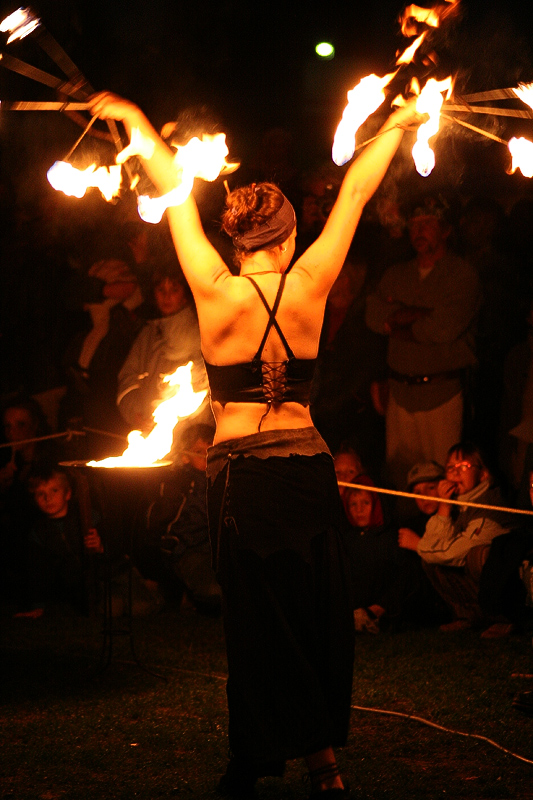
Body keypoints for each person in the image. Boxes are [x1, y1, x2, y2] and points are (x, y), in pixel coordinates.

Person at [90, 89, 420, 799]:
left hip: (243, 479)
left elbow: (172, 190)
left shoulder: (212, 288)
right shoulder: (312, 280)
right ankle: (320, 762)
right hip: (306, 469)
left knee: (257, 627)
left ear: (238, 241)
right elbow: (359, 188)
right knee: (314, 615)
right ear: (288, 236)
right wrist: (400, 118)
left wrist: (135, 121)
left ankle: (260, 758)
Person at [365, 196, 480, 491]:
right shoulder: (397, 273)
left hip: (441, 394)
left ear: (445, 230)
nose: (419, 231)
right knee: (401, 479)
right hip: (400, 394)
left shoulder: (461, 274)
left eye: (428, 224)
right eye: (415, 225)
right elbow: (374, 317)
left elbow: (442, 328)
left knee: (447, 479)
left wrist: (397, 320)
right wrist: (417, 316)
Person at [400, 441, 515, 633]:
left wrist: (419, 545)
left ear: (483, 474)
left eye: (463, 466)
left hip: (513, 578)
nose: (454, 473)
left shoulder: (489, 506)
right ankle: (468, 617)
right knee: (430, 560)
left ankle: (505, 617)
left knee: (478, 556)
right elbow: (434, 548)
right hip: (481, 579)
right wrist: (444, 506)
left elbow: (452, 552)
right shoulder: (458, 504)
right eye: (450, 467)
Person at [117, 260, 210, 436]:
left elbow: (204, 389)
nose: (167, 297)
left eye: (174, 290)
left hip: (192, 439)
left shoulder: (200, 333)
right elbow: (127, 378)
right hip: (151, 435)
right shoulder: (148, 334)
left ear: (184, 294)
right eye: (161, 290)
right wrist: (138, 413)